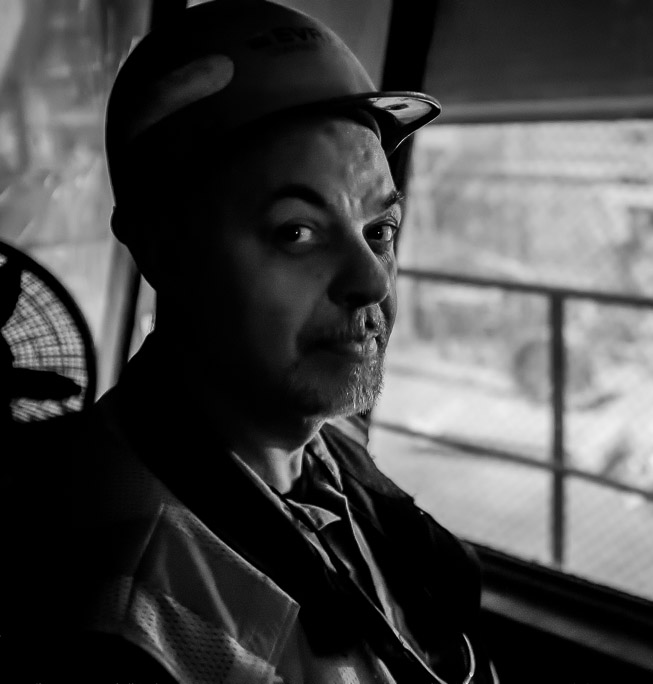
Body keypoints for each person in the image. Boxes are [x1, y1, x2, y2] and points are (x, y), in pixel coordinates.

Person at [1, 2, 496, 682]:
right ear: (161, 249)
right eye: (297, 231)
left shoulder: (318, 444)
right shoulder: (133, 624)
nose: (369, 282)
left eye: (380, 231)